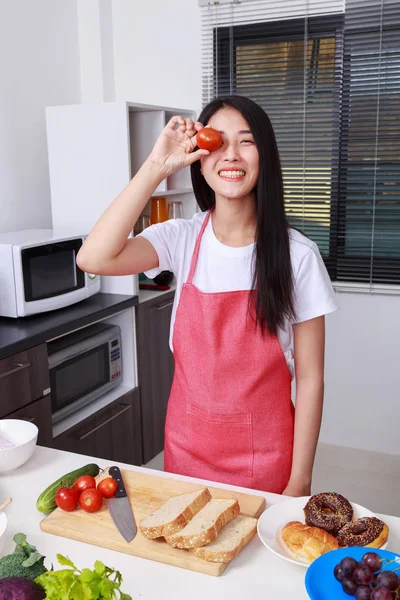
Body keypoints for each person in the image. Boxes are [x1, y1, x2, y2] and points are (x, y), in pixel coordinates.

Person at [77, 95, 338, 496]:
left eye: (247, 142)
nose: (231, 155)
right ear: (201, 155)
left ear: (265, 156)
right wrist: (155, 167)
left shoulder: (297, 255)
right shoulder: (180, 238)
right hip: (185, 453)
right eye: (219, 142)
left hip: (265, 459)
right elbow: (93, 257)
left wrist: (299, 480)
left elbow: (310, 377)